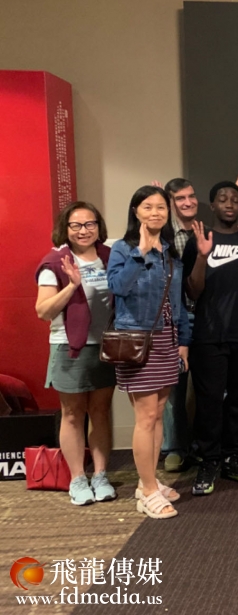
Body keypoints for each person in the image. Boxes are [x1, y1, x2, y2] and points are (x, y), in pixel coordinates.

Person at [181, 182, 238, 496]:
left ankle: (233, 457)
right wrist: (202, 255)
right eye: (223, 199)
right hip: (209, 335)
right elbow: (193, 291)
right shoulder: (199, 239)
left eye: (235, 199)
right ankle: (209, 460)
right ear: (212, 205)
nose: (230, 203)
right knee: (208, 402)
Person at [107, 186, 191, 519]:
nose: (155, 213)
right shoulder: (123, 248)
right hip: (137, 340)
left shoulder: (170, 252)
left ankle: (148, 483)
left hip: (167, 339)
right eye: (147, 207)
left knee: (157, 414)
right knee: (145, 417)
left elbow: (177, 302)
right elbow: (118, 287)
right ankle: (148, 492)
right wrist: (140, 253)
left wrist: (183, 341)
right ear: (135, 211)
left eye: (161, 207)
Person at [35, 202, 117, 506]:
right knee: (72, 414)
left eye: (89, 224)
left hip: (107, 346)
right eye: (76, 225)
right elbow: (43, 311)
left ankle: (101, 475)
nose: (84, 230)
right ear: (65, 229)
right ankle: (77, 479)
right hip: (69, 347)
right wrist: (72, 286)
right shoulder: (54, 263)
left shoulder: (110, 256)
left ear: (98, 226)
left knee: (100, 411)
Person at [157, 177, 198, 473]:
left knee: (208, 387)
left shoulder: (205, 231)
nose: (188, 202)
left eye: (191, 196)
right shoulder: (163, 236)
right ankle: (174, 447)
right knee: (173, 387)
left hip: (205, 317)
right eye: (180, 198)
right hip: (173, 320)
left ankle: (204, 445)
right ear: (170, 203)